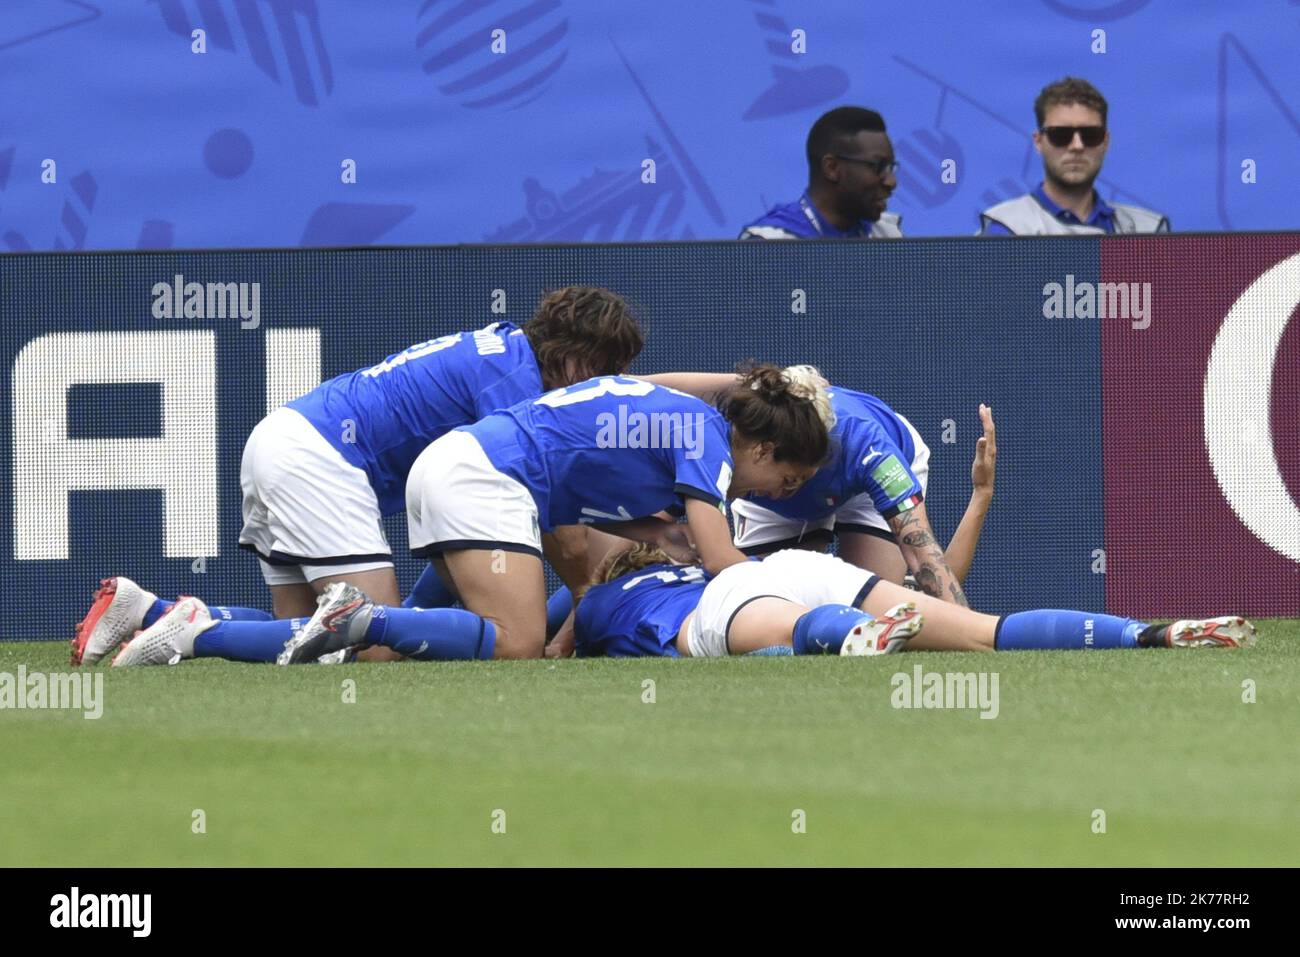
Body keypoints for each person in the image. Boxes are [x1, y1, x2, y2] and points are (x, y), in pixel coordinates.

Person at [71, 286, 644, 667]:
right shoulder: (514, 386)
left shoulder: (508, 353)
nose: (610, 384)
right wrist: (586, 601)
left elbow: (466, 529)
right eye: (609, 369)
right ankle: (196, 629)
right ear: (575, 357)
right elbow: (559, 533)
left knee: (310, 640)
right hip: (318, 460)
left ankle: (146, 611)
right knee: (372, 646)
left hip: (284, 438)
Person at [115, 366, 834, 667]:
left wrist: (651, 533)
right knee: (514, 640)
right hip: (486, 484)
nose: (774, 493)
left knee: (403, 641)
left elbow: (622, 441)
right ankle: (364, 617)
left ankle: (183, 622)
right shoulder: (708, 441)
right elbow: (721, 565)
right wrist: (792, 584)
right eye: (785, 477)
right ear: (763, 444)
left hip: (460, 469)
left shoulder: (675, 409)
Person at [642, 368, 988, 606]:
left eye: (796, 482)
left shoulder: (871, 448)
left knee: (869, 609)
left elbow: (920, 551)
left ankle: (898, 591)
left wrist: (977, 636)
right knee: (768, 605)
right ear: (762, 450)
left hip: (861, 490)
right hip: (773, 489)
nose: (784, 490)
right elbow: (656, 392)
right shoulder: (744, 425)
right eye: (786, 479)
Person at [569, 543, 1256, 659]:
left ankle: (847, 639)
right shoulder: (685, 568)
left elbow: (546, 644)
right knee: (988, 632)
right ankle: (1146, 634)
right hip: (789, 565)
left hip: (726, 606)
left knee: (801, 630)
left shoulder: (601, 602)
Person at [978, 77, 1169, 235]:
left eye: (1090, 135)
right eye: (1060, 135)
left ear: (1106, 141)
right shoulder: (1005, 228)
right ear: (1038, 141)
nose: (1077, 146)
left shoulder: (1148, 231)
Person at [740, 106, 902, 240]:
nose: (891, 182)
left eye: (890, 168)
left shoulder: (886, 237)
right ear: (832, 168)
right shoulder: (768, 246)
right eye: (879, 166)